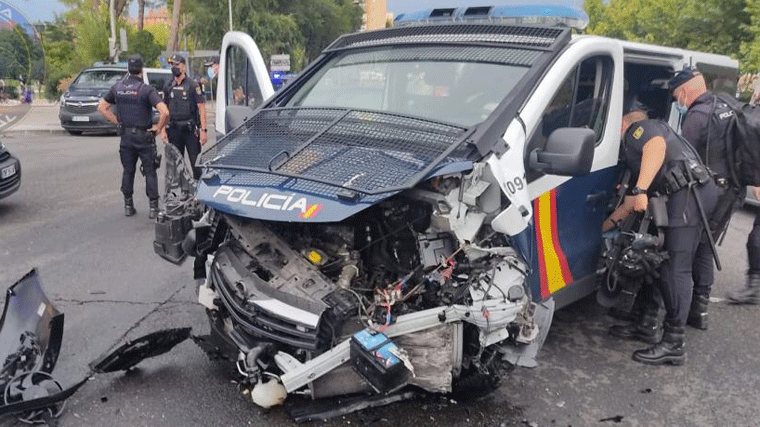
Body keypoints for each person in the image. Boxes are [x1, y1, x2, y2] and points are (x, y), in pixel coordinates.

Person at [602, 99, 719, 365]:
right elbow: (632, 202)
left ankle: (674, 343)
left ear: (623, 122)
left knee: (675, 267)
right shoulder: (650, 137)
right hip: (689, 194)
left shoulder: (639, 129)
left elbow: (656, 147)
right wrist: (608, 224)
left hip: (689, 195)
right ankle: (645, 323)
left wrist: (642, 189)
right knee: (653, 259)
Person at [667, 68, 741, 328]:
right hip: (732, 191)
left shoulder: (697, 117)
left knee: (690, 250)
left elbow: (680, 158)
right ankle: (700, 310)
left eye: (677, 96)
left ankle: (684, 312)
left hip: (708, 193)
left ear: (685, 92)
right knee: (706, 247)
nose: (678, 102)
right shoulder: (727, 106)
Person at [98, 54, 169, 218]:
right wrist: (158, 128)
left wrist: (117, 122)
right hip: (144, 136)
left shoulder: (118, 88)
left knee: (128, 171)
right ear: (141, 70)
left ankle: (128, 205)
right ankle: (153, 209)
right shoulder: (146, 90)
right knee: (150, 171)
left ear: (128, 69)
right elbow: (164, 111)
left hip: (126, 137)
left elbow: (101, 107)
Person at [161, 54, 208, 180]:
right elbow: (164, 108)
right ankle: (183, 192)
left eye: (176, 65)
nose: (173, 67)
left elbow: (201, 108)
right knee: (176, 164)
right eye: (171, 65)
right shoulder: (168, 85)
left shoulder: (193, 85)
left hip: (190, 129)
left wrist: (203, 130)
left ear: (183, 67)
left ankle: (199, 192)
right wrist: (162, 129)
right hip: (174, 130)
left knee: (196, 164)